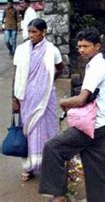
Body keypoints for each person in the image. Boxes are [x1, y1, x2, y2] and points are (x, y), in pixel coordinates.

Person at [39, 27, 105, 202]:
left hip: (91, 126)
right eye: (79, 46)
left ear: (97, 46)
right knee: (96, 169)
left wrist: (63, 102)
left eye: (85, 46)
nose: (81, 50)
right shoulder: (100, 65)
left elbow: (81, 99)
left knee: (53, 148)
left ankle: (58, 196)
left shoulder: (96, 67)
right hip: (101, 125)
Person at [12, 18, 63, 181]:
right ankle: (28, 168)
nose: (31, 35)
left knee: (48, 131)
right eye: (29, 31)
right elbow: (16, 74)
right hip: (26, 98)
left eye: (34, 32)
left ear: (44, 32)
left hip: (45, 98)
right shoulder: (21, 50)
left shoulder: (51, 50)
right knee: (28, 131)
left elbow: (60, 68)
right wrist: (14, 98)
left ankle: (49, 166)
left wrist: (46, 82)